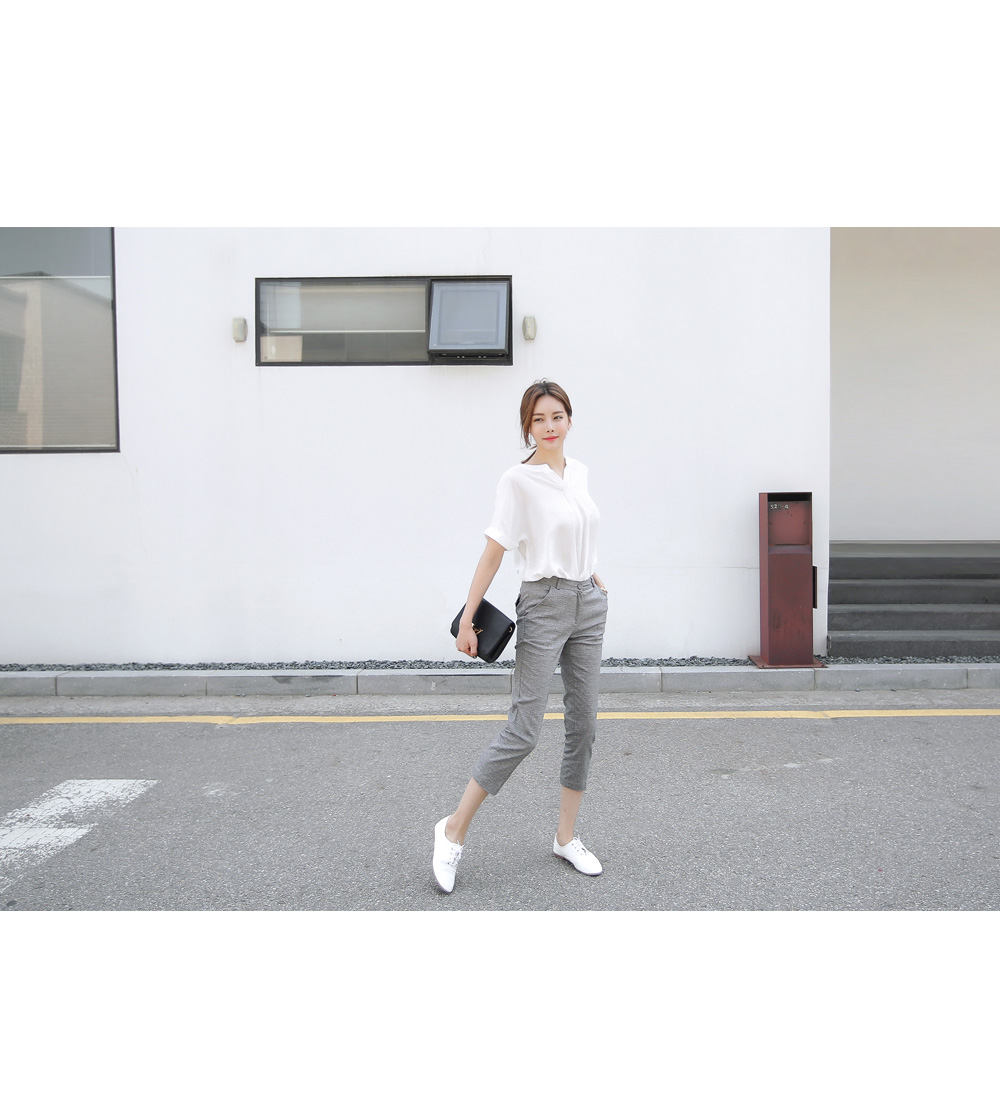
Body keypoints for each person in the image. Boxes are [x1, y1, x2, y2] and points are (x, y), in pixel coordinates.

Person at [432, 379, 609, 893]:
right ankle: (452, 829)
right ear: (527, 427)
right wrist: (468, 619)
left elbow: (579, 530)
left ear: (570, 419)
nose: (549, 427)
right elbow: (495, 551)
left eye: (557, 416)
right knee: (524, 730)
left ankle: (565, 838)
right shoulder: (517, 481)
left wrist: (593, 575)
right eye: (538, 419)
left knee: (584, 725)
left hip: (588, 603)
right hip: (544, 603)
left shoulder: (579, 472)